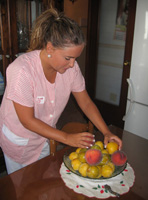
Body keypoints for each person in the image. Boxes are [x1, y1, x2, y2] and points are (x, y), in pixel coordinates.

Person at [0, 8, 122, 174]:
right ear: (49, 48)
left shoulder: (71, 69)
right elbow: (27, 120)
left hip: (45, 137)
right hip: (19, 139)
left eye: (75, 58)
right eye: (68, 58)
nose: (72, 64)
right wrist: (66, 137)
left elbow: (85, 102)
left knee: (41, 182)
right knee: (21, 188)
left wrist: (106, 131)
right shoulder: (22, 70)